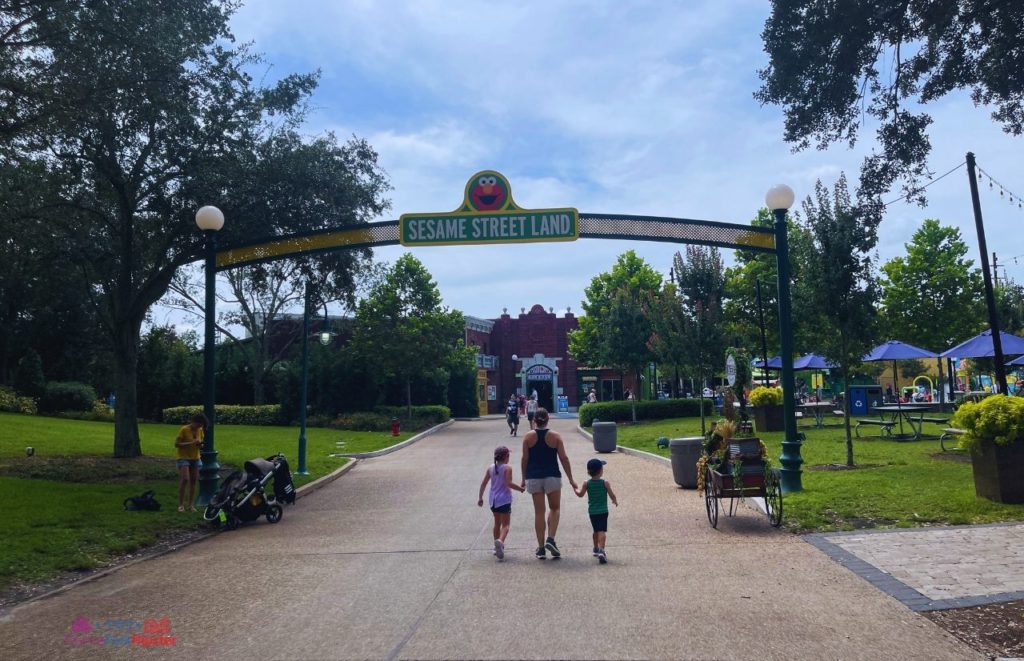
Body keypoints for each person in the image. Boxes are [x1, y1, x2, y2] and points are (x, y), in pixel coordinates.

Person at [520, 407, 576, 559]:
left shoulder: (527, 437)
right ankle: (550, 539)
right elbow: (564, 459)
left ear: (534, 421)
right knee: (555, 508)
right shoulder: (555, 437)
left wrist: (523, 479)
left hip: (533, 477)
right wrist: (571, 479)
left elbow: (524, 459)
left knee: (539, 512)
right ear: (547, 419)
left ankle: (540, 548)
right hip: (552, 476)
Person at [477, 445, 525, 561]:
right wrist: (520, 489)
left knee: (496, 524)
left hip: (493, 500)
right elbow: (509, 483)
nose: (509, 458)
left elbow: (483, 483)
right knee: (506, 525)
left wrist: (480, 497)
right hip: (504, 500)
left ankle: (495, 546)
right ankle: (500, 542)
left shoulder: (490, 468)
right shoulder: (507, 468)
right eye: (508, 455)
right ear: (505, 457)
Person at [574, 458, 618, 564]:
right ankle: (601, 550)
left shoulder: (586, 483)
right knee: (602, 531)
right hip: (603, 511)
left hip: (592, 512)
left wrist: (575, 489)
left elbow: (580, 494)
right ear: (600, 471)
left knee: (595, 530)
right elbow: (612, 494)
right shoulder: (605, 483)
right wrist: (614, 500)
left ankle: (595, 548)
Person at [175, 413, 206, 512]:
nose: (199, 427)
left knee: (193, 481)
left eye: (200, 426)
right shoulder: (184, 429)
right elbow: (177, 444)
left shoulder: (200, 430)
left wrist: (200, 445)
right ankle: (180, 505)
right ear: (193, 422)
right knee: (185, 479)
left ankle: (191, 505)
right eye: (198, 425)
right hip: (183, 457)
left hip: (195, 457)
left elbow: (200, 444)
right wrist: (191, 443)